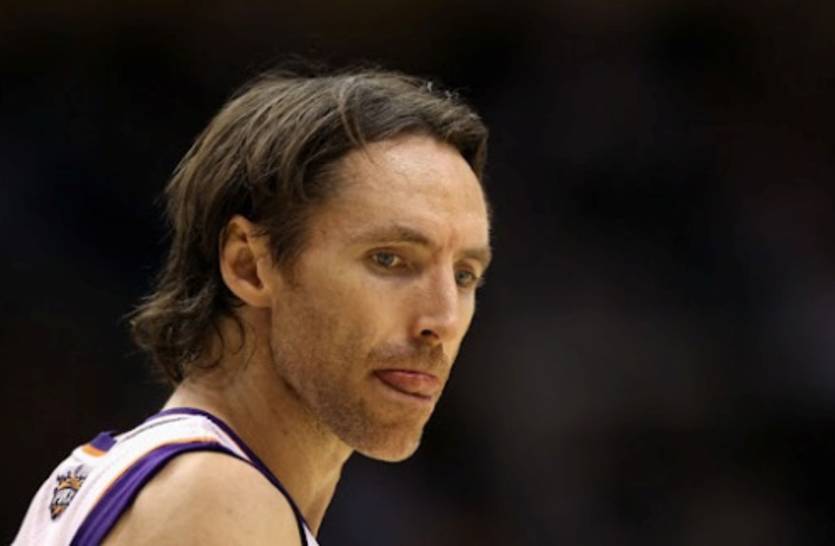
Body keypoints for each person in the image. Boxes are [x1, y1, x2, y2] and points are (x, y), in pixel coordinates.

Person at [14, 66, 492, 545]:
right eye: (389, 259)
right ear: (249, 266)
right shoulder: (217, 500)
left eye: (464, 275)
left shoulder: (120, 476)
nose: (443, 320)